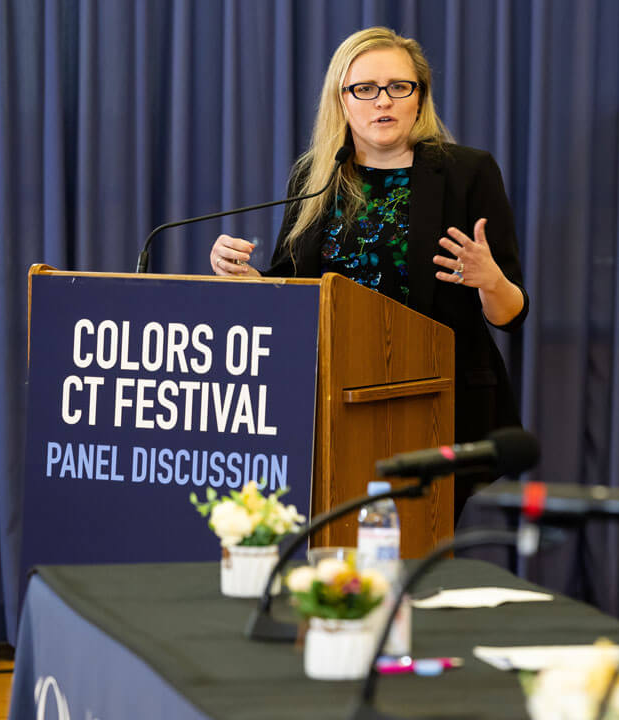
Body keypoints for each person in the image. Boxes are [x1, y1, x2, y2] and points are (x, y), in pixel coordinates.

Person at [207, 28, 528, 514]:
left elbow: (510, 314)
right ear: (343, 100)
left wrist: (490, 280)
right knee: (334, 547)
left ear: (419, 98)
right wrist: (245, 279)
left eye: (399, 87)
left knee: (416, 548)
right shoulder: (316, 177)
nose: (384, 101)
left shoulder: (468, 173)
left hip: (436, 400)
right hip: (332, 399)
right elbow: (294, 294)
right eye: (365, 89)